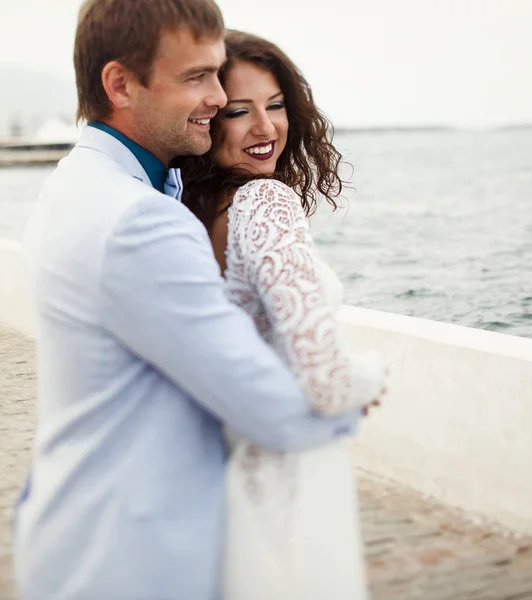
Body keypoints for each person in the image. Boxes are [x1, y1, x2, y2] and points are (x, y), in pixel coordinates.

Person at [13, 2, 370, 599]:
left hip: (73, 529)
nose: (215, 93)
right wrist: (363, 386)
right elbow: (271, 411)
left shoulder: (78, 184)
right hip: (134, 556)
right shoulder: (140, 220)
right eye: (198, 77)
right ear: (121, 83)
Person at [176, 30, 387, 600]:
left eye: (276, 106)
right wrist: (373, 376)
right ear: (209, 118)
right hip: (289, 468)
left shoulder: (186, 210)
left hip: (222, 464)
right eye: (240, 111)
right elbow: (326, 381)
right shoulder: (265, 202)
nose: (266, 128)